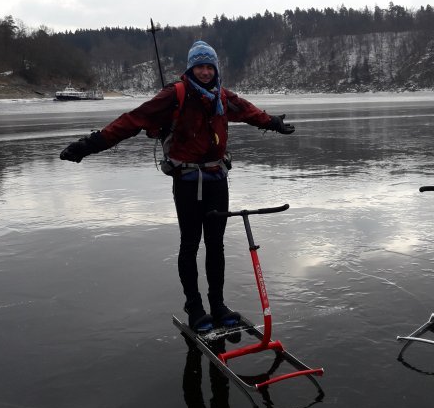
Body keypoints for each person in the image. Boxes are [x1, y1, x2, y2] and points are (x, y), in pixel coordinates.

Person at [60, 40, 294, 333]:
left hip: (217, 179)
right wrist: (89, 145)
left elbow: (247, 111)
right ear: (191, 68)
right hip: (186, 182)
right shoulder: (175, 94)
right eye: (200, 66)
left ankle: (218, 306)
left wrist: (272, 122)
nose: (206, 72)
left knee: (216, 246)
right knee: (190, 244)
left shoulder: (221, 96)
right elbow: (132, 120)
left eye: (210, 66)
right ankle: (195, 307)